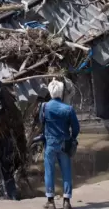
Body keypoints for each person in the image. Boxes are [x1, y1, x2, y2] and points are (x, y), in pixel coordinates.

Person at [40, 79, 80, 209]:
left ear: (50, 92)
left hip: (50, 144)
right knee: (66, 171)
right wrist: (72, 138)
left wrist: (44, 138)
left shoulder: (44, 107)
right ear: (61, 92)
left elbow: (42, 123)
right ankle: (66, 201)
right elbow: (76, 128)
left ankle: (50, 201)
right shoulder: (68, 109)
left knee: (49, 172)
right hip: (64, 143)